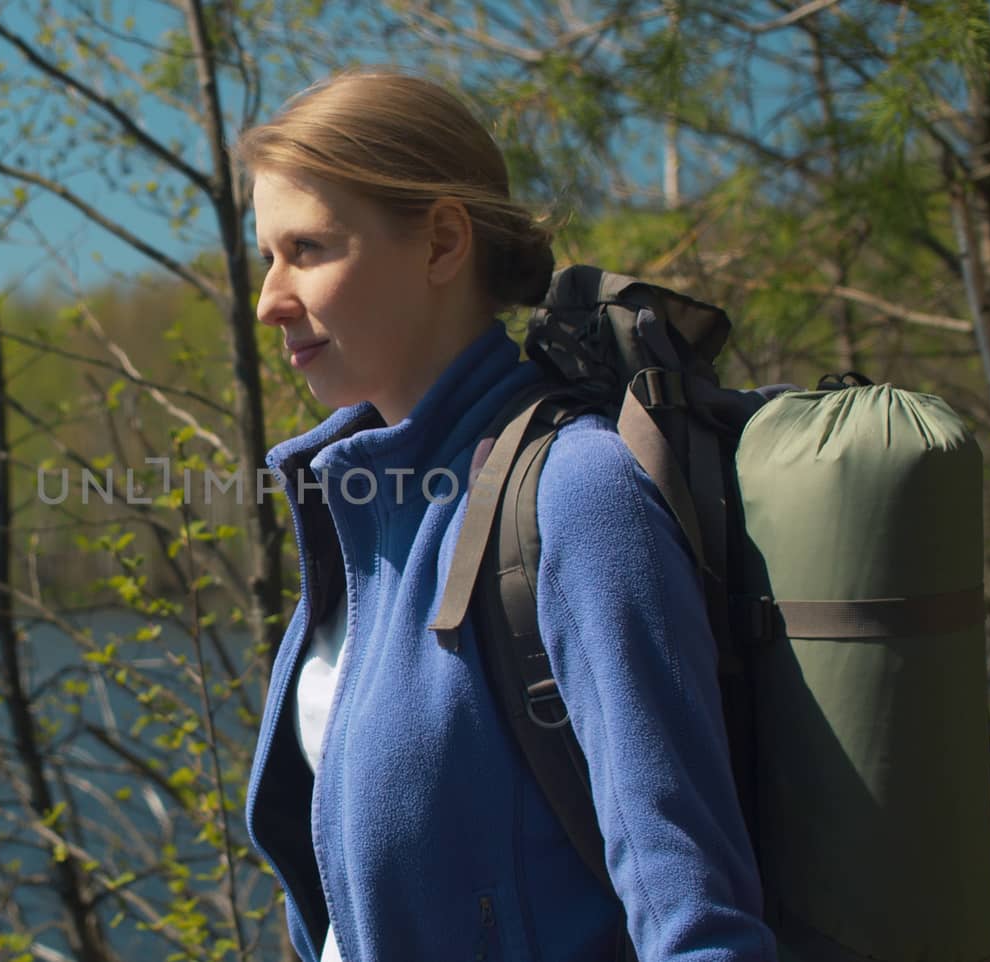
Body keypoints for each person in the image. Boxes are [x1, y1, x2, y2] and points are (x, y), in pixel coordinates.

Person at [238, 68, 777, 962]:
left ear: (443, 242)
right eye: (268, 256)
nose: (269, 300)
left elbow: (698, 920)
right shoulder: (366, 502)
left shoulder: (575, 495)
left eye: (309, 250)